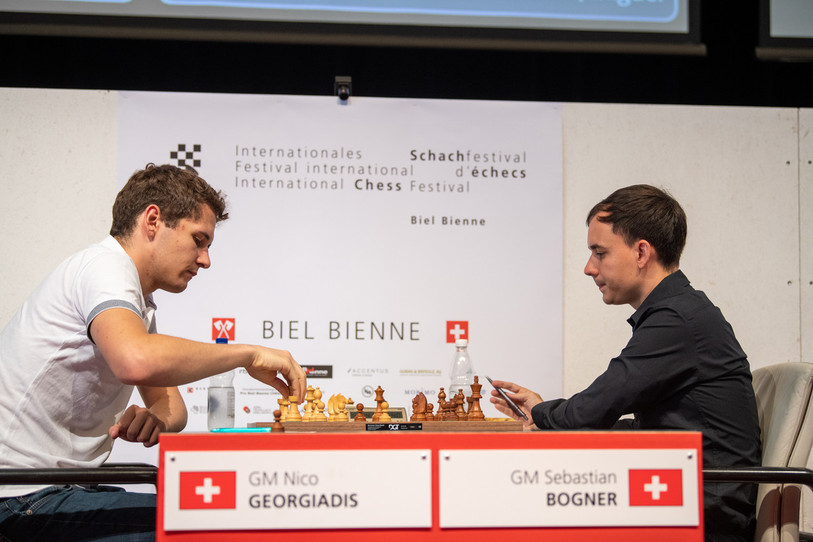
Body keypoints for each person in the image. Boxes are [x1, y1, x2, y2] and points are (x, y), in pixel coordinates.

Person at [0, 164, 307, 540]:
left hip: (61, 491)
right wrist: (250, 355)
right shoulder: (105, 267)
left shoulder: (135, 299)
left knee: (207, 511)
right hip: (21, 498)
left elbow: (172, 407)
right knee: (207, 524)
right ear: (152, 220)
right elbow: (136, 360)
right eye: (199, 240)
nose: (206, 260)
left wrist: (155, 419)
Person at [490, 184, 761, 542]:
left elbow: (594, 408)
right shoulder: (681, 313)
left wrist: (542, 414)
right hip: (683, 499)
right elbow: (654, 425)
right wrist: (546, 416)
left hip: (701, 517)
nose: (589, 268)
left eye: (599, 253)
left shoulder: (677, 320)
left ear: (641, 252)